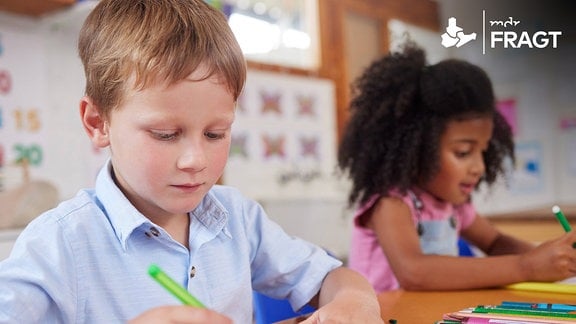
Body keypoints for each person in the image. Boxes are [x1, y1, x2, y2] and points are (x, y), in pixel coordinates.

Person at [0, 0, 383, 323]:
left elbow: (331, 277)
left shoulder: (237, 219)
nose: (195, 160)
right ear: (98, 123)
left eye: (216, 134)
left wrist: (355, 301)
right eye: (165, 134)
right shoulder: (60, 242)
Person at [338, 42, 576, 293]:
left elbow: (495, 242)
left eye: (483, 152)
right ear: (418, 148)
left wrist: (556, 257)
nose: (479, 167)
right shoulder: (391, 203)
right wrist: (527, 266)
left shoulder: (453, 206)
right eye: (463, 152)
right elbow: (414, 272)